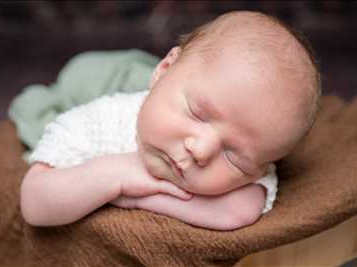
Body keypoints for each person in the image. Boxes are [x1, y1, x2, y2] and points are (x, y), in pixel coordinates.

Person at [20, 11, 321, 230]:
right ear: (164, 69)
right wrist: (115, 175)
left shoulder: (250, 169)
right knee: (81, 76)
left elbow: (238, 212)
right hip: (101, 82)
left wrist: (142, 196)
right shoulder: (97, 122)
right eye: (197, 114)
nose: (200, 151)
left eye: (233, 156)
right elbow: (34, 201)